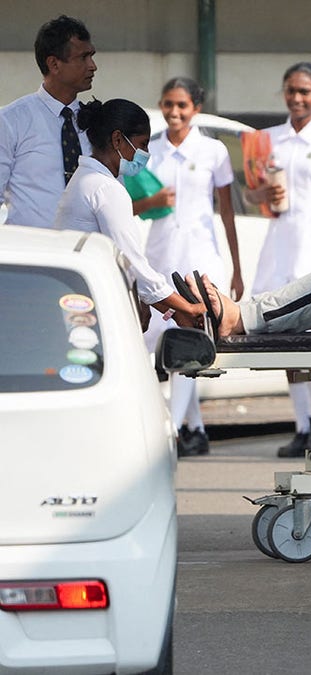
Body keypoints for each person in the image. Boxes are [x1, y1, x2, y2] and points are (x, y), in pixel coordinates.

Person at [245, 62, 311, 458]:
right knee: (281, 337)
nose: (296, 98)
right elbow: (251, 196)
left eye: (305, 92)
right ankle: (306, 421)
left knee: (306, 338)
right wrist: (264, 197)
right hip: (278, 248)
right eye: (290, 90)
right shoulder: (266, 139)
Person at [135, 77, 244, 457]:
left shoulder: (213, 151)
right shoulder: (148, 151)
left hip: (201, 258)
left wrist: (237, 267)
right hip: (160, 254)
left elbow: (227, 210)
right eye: (168, 104)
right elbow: (129, 203)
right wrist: (151, 202)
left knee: (191, 338)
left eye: (182, 105)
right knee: (158, 341)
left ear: (195, 108)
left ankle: (175, 428)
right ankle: (193, 428)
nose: (174, 112)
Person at [53, 98, 204, 330]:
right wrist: (187, 309)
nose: (145, 153)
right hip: (86, 303)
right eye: (142, 144)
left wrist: (169, 308)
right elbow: (133, 264)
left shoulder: (89, 179)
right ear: (117, 139)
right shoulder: (105, 188)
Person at [0, 15, 96, 229]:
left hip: (86, 253)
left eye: (92, 56)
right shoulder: (11, 121)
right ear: (54, 64)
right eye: (83, 57)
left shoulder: (97, 122)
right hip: (32, 254)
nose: (93, 66)